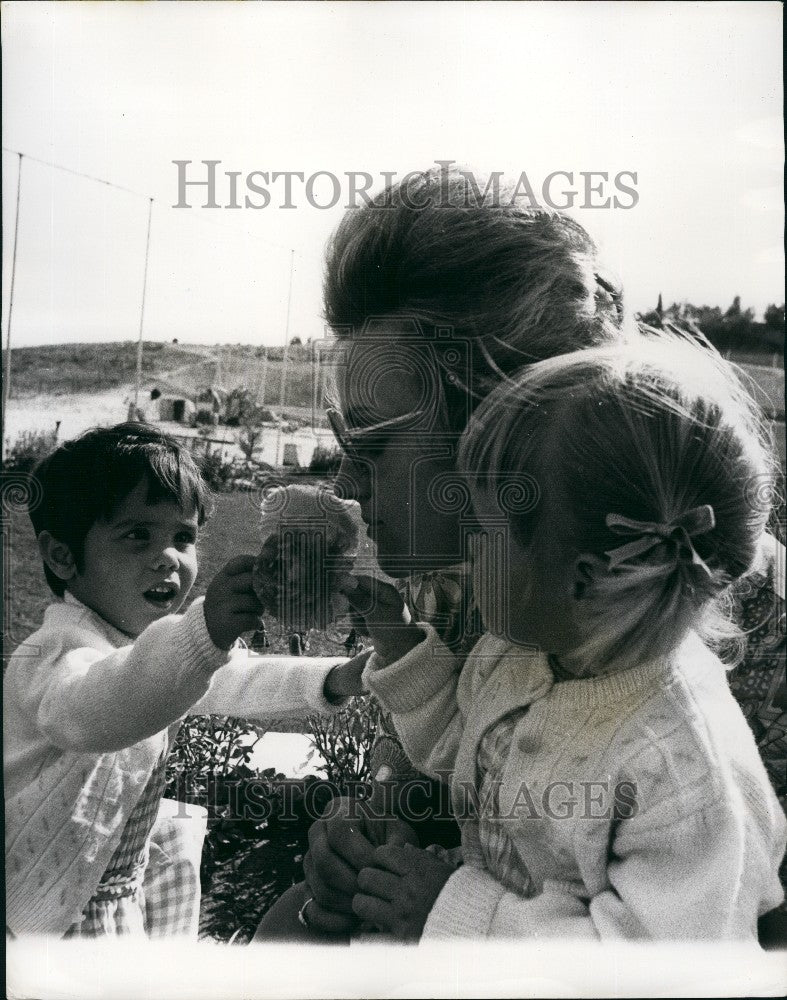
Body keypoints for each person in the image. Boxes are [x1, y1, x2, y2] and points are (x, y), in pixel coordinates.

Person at [255, 166, 785, 943]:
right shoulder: (504, 604)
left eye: (368, 441)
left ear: (497, 440)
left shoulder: (711, 669)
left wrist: (451, 914)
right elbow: (456, 760)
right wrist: (377, 830)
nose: (343, 479)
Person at [353, 334, 786, 940]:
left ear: (583, 578)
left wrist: (454, 917)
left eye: (484, 529)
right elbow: (472, 749)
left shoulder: (682, 774)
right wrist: (403, 653)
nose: (465, 549)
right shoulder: (522, 654)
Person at [4, 422, 366, 938]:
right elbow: (87, 714)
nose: (168, 557)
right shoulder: (59, 650)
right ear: (63, 555)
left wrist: (336, 676)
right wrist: (203, 634)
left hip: (109, 893)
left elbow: (236, 676)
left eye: (183, 537)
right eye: (138, 535)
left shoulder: (148, 641)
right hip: (41, 910)